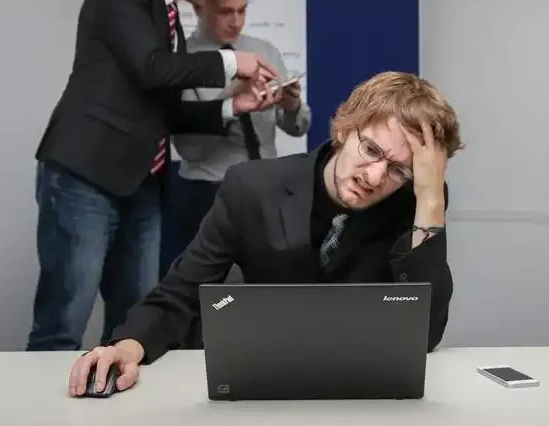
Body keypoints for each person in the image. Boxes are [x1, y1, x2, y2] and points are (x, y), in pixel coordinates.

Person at [68, 71, 463, 397]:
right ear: (346, 129)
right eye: (371, 150)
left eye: (399, 170)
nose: (375, 177)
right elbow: (181, 291)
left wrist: (430, 198)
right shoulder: (252, 188)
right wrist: (127, 346)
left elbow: (424, 334)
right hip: (257, 384)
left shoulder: (415, 205)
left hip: (359, 390)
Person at [27, 0, 280, 352]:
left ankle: (113, 394)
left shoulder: (169, 20)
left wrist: (232, 107)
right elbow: (151, 68)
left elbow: (166, 109)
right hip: (86, 176)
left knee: (135, 323)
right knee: (64, 321)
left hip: (143, 185)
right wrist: (233, 63)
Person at [164, 0, 312, 276]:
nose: (236, 21)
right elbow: (190, 151)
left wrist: (291, 105)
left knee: (271, 285)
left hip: (268, 188)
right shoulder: (183, 62)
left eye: (242, 10)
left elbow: (298, 127)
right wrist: (230, 100)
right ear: (199, 8)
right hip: (207, 192)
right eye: (225, 12)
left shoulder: (264, 51)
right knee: (206, 290)